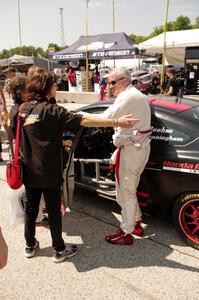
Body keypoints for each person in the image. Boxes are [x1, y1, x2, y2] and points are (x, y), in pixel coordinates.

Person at [16, 68, 137, 263]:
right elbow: (85, 120)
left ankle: (30, 245)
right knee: (54, 211)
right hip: (49, 171)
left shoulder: (24, 109)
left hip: (29, 170)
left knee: (31, 210)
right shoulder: (53, 111)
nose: (57, 87)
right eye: (54, 84)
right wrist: (117, 121)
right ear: (47, 87)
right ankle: (59, 249)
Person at [99, 68, 151, 245]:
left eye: (113, 82)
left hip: (131, 150)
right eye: (108, 82)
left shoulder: (127, 96)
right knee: (130, 189)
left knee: (125, 193)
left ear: (124, 80)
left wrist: (79, 118)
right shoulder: (138, 95)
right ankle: (135, 223)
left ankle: (126, 232)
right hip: (139, 148)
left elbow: (106, 117)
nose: (110, 86)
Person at [0, 85, 9, 161]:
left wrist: (5, 108)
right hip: (1, 109)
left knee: (5, 125)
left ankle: (12, 139)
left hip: (1, 109)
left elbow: (3, 97)